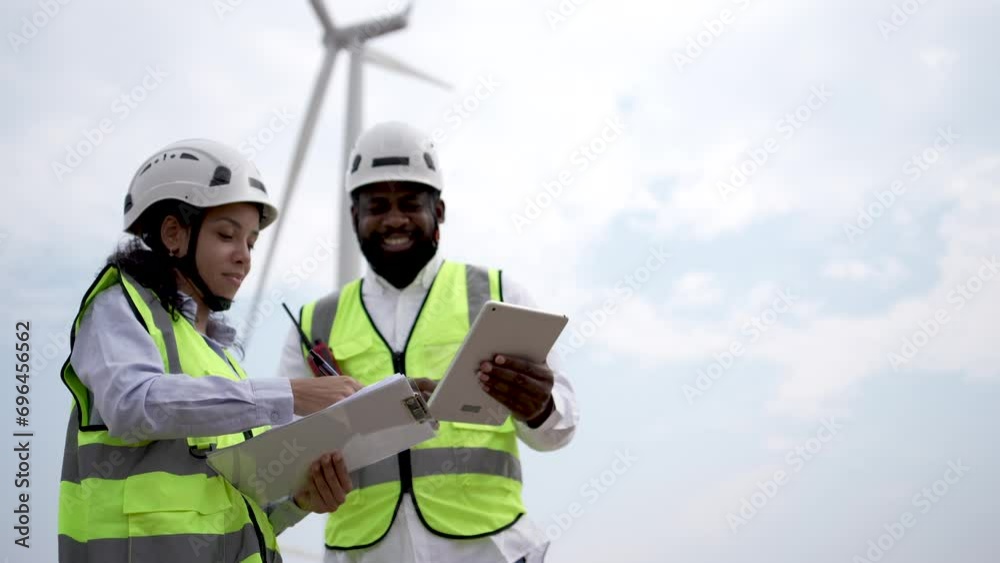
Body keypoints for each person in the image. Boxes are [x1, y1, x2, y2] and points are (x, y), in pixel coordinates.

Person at [276, 122, 580, 563]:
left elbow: (558, 434)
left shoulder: (495, 294)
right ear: (353, 217)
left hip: (488, 548)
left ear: (439, 210)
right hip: (363, 551)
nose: (394, 219)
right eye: (377, 205)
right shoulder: (314, 321)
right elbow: (282, 450)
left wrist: (540, 408)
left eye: (410, 204)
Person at [58, 139, 365, 563]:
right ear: (173, 234)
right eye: (227, 235)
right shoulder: (117, 307)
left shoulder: (221, 361)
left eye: (252, 243)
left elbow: (235, 521)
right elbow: (132, 405)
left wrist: (299, 502)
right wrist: (291, 394)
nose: (244, 258)